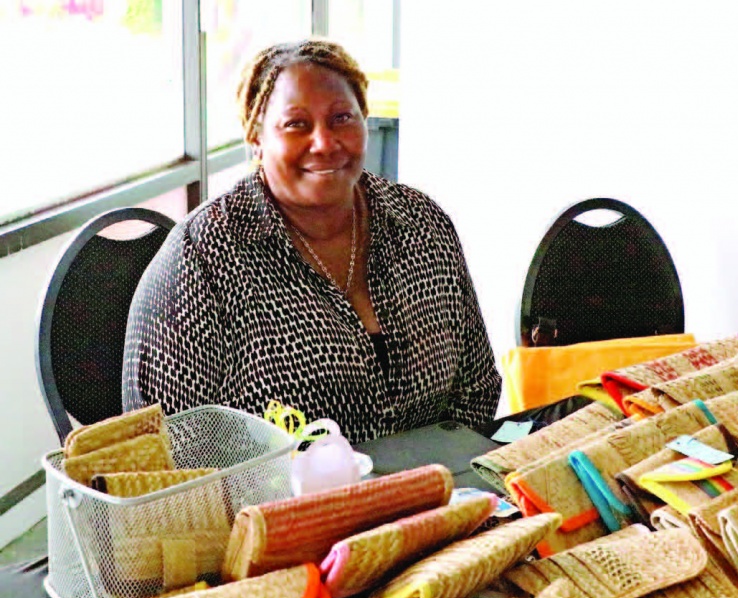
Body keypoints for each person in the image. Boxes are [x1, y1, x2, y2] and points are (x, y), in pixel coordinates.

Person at [122, 38, 501, 442]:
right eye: (296, 124)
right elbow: (170, 449)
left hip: (436, 491)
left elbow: (476, 388)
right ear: (256, 138)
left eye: (341, 118)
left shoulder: (421, 222)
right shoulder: (201, 259)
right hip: (271, 501)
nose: (324, 142)